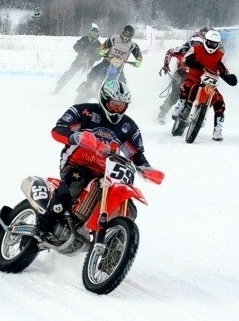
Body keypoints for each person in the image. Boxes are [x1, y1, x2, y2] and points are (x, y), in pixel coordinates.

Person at [32, 80, 162, 246]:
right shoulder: (84, 111)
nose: (117, 110)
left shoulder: (129, 126)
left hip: (106, 173)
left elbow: (136, 153)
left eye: (121, 106)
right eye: (114, 104)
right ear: (104, 99)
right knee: (76, 178)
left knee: (130, 208)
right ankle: (44, 225)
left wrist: (146, 168)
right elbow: (58, 130)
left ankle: (112, 246)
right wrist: (76, 137)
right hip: (76, 162)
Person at [172, 29, 238, 142]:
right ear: (205, 41)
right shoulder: (196, 48)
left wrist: (229, 77)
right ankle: (181, 105)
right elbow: (186, 59)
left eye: (214, 43)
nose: (212, 45)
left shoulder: (220, 55)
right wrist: (196, 64)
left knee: (220, 103)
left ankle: (217, 131)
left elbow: (224, 69)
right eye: (210, 42)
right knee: (186, 87)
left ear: (218, 44)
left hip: (210, 83)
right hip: (194, 78)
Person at [157, 26, 208, 124]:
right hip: (180, 74)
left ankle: (195, 117)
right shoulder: (182, 49)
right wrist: (166, 65)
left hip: (195, 77)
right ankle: (162, 113)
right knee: (175, 95)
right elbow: (170, 52)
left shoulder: (203, 53)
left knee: (196, 95)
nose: (196, 45)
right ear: (190, 42)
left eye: (199, 44)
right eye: (194, 43)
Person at [53, 24, 102, 93]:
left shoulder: (98, 44)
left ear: (98, 34)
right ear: (89, 33)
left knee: (86, 77)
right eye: (92, 33)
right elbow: (75, 46)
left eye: (95, 34)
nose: (93, 35)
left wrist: (91, 56)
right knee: (70, 72)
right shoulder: (84, 39)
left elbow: (99, 56)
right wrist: (82, 52)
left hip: (89, 63)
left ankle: (82, 92)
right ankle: (58, 87)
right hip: (79, 60)